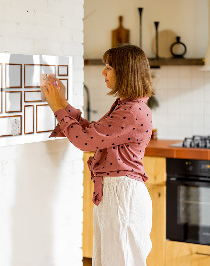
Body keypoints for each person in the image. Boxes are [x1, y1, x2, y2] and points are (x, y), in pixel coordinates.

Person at [42, 44, 154, 266]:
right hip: (117, 193)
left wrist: (57, 108)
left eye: (109, 67)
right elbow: (93, 133)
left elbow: (85, 141)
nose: (103, 72)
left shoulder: (131, 111)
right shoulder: (127, 106)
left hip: (122, 195)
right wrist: (63, 104)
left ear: (125, 72)